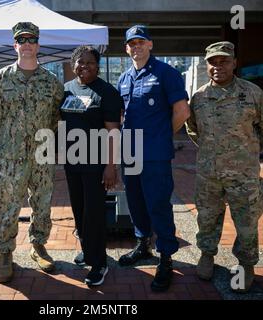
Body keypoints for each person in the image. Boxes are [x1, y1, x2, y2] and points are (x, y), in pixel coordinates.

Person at [186, 41, 263, 293]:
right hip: (209, 174)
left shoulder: (252, 93)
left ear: (234, 63)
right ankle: (207, 255)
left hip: (244, 174)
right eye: (213, 62)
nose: (218, 66)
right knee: (207, 217)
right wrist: (211, 152)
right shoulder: (198, 97)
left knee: (247, 221)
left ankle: (245, 264)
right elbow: (193, 129)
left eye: (224, 61)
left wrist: (251, 150)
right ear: (207, 65)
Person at [0, 22, 64, 283]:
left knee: (42, 203)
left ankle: (38, 246)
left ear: (38, 45)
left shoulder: (52, 83)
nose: (27, 43)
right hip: (11, 156)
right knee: (8, 206)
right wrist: (1, 146)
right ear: (15, 45)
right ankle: (5, 253)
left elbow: (56, 118)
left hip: (42, 154)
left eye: (32, 39)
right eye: (22, 39)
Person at [117, 25, 190, 292]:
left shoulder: (166, 73)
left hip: (155, 155)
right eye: (131, 43)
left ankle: (166, 257)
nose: (136, 47)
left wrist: (161, 135)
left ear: (150, 44)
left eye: (141, 42)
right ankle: (142, 244)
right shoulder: (124, 78)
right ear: (127, 48)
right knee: (135, 201)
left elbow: (182, 112)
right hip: (130, 152)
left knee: (158, 204)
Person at [60, 45, 122, 286]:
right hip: (72, 163)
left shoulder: (107, 92)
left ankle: (100, 264)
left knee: (94, 214)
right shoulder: (66, 90)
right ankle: (87, 250)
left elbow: (113, 133)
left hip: (96, 165)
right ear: (73, 64)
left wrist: (111, 166)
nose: (84, 66)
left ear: (97, 66)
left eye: (90, 62)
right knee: (79, 211)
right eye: (80, 62)